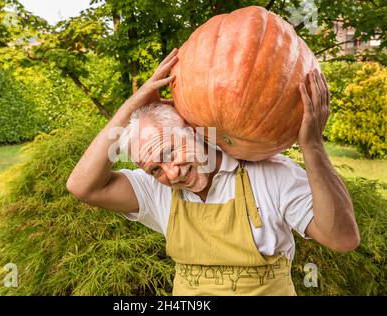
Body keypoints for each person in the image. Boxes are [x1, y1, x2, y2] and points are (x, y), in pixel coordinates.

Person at [66, 48, 359, 295]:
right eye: (155, 168)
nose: (172, 172)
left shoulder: (271, 175)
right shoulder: (156, 190)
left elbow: (342, 238)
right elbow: (82, 186)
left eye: (170, 151)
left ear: (192, 130)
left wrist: (313, 146)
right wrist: (131, 106)